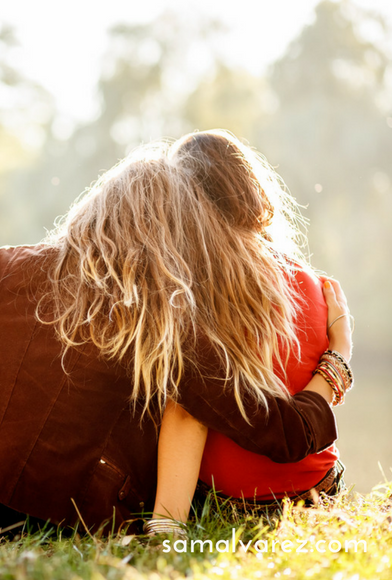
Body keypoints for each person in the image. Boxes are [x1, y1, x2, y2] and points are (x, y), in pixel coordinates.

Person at [0, 137, 352, 542]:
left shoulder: (6, 268)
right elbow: (285, 435)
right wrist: (338, 356)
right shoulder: (161, 314)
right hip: (68, 525)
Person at [148, 130, 353, 533]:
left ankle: (167, 524)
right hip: (316, 489)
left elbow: (189, 412)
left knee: (177, 390)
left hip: (231, 504)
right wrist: (342, 351)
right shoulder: (312, 282)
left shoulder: (194, 289)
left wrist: (166, 527)